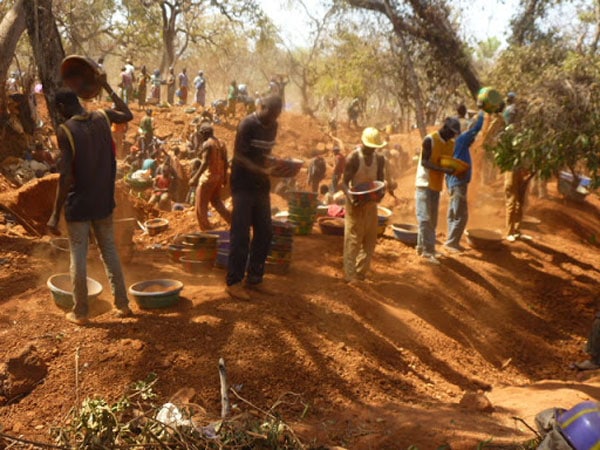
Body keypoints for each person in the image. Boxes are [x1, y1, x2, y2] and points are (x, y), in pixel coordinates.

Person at [46, 81, 134, 325]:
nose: (58, 113)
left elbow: (65, 177)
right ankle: (123, 305)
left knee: (78, 256)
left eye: (58, 109)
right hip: (103, 201)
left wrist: (55, 214)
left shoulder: (66, 131)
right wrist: (106, 85)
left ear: (63, 106)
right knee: (109, 251)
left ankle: (81, 312)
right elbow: (128, 114)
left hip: (79, 205)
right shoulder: (103, 117)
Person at [226, 95, 284, 301]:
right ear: (262, 107)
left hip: (261, 185)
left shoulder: (273, 125)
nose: (273, 118)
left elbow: (265, 153)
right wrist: (260, 169)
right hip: (242, 184)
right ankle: (234, 281)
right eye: (271, 113)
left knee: (265, 232)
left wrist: (277, 165)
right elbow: (239, 157)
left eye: (277, 114)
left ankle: (255, 278)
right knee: (241, 234)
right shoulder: (247, 124)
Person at [341, 127, 389, 282]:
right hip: (355, 203)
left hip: (370, 203)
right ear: (363, 143)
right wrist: (351, 198)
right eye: (369, 146)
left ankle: (360, 273)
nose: (371, 150)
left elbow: (380, 180)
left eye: (374, 147)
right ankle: (350, 275)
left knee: (369, 240)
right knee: (353, 239)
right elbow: (344, 183)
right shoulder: (354, 158)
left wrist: (381, 193)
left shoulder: (379, 159)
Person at [415, 117, 459, 264]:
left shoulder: (450, 144)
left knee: (432, 220)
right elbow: (425, 162)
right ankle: (428, 251)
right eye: (452, 133)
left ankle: (422, 247)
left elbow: (447, 161)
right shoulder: (430, 140)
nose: (453, 136)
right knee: (425, 217)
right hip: (424, 183)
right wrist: (443, 170)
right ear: (445, 127)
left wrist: (450, 173)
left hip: (436, 185)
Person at [444, 111, 484, 253]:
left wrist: (448, 184)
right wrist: (483, 113)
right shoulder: (461, 141)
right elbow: (475, 129)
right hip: (459, 183)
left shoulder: (450, 144)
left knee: (453, 213)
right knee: (462, 215)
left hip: (452, 182)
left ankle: (451, 240)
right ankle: (451, 243)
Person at [190, 124, 231, 230]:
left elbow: (205, 163)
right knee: (216, 202)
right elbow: (225, 161)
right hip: (219, 177)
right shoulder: (221, 143)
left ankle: (205, 229)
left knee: (200, 206)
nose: (200, 136)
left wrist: (195, 177)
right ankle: (233, 221)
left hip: (208, 178)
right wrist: (225, 177)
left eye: (201, 134)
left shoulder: (207, 144)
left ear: (204, 133)